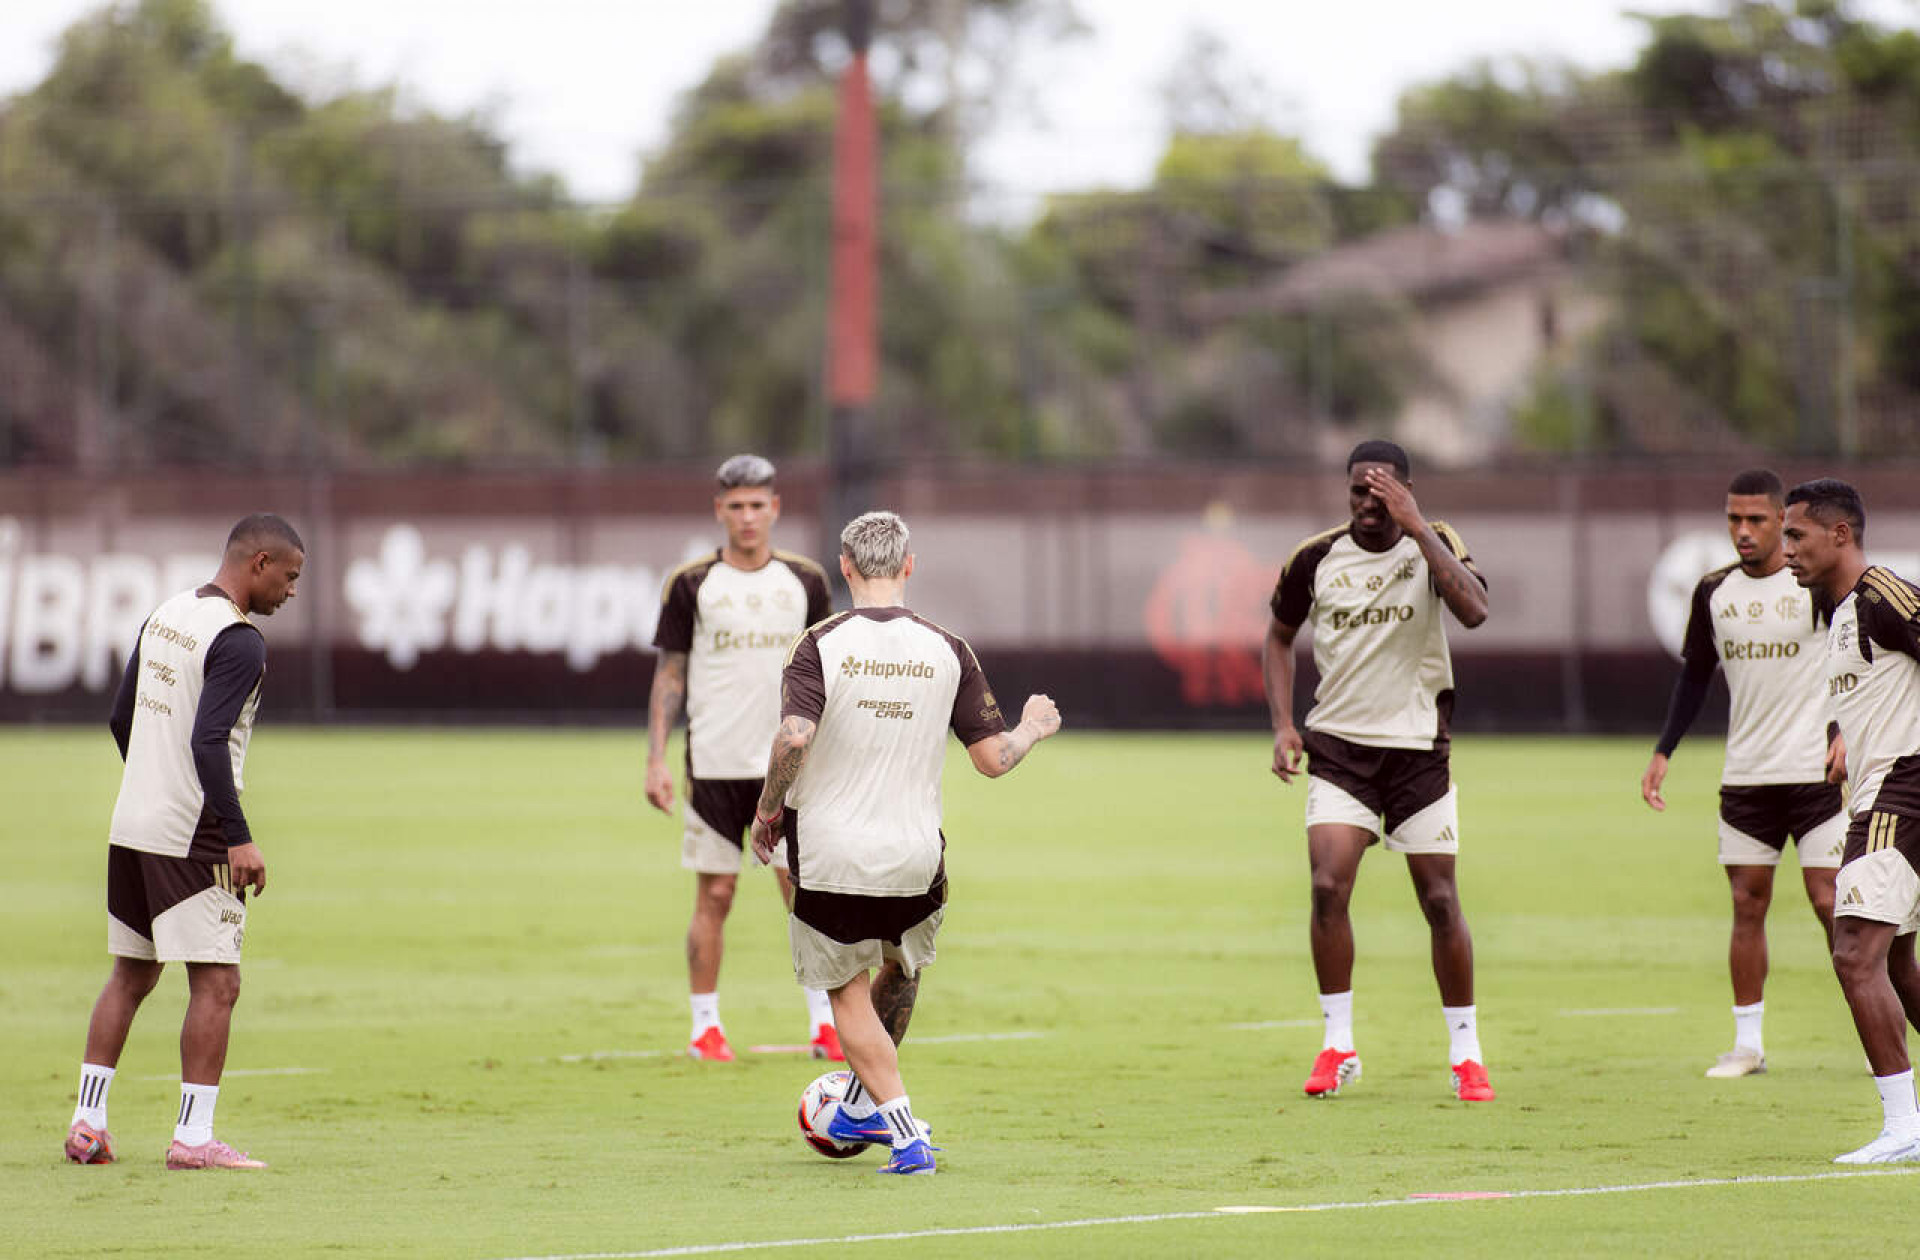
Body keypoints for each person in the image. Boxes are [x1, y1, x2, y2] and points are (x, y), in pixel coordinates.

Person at [747, 510, 1061, 1175]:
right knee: (903, 967)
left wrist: (767, 813)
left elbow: (794, 737)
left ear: (846, 566)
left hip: (832, 856)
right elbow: (993, 759)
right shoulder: (948, 648)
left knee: (846, 991)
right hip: (918, 859)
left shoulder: (818, 644)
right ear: (910, 565)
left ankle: (903, 1128)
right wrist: (1032, 726)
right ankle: (861, 1101)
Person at [65, 514, 303, 1170]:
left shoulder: (166, 613)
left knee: (132, 973)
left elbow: (122, 718)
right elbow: (207, 741)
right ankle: (194, 1139)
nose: (291, 591)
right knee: (218, 982)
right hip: (192, 836)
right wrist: (240, 838)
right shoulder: (241, 641)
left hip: (132, 823)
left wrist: (150, 783)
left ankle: (87, 1124)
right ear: (259, 563)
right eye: (289, 576)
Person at [1262, 439, 1495, 1102]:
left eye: (1384, 491)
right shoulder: (1315, 556)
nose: (1370, 504)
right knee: (1328, 888)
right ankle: (1338, 1045)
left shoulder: (1435, 540)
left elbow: (1476, 613)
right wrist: (1284, 725)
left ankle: (1466, 1052)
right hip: (1339, 750)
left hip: (1419, 749)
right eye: (1359, 491)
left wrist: (1417, 525)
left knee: (1440, 901)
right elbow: (1278, 636)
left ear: (1407, 490)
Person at [1640, 470, 1846, 1078]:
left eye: (1757, 519)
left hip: (1815, 778)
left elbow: (1849, 665)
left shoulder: (1813, 586)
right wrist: (1664, 751)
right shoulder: (1713, 593)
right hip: (1747, 779)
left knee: (1832, 904)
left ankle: (1876, 1028)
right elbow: (1695, 676)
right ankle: (1748, 1045)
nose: (1743, 531)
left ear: (1783, 521)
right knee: (1746, 904)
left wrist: (1841, 735)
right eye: (1734, 519)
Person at [646, 454, 835, 1061]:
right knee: (717, 894)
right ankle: (706, 1027)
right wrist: (656, 759)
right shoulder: (691, 584)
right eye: (737, 506)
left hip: (789, 766)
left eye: (758, 505)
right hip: (715, 765)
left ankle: (825, 1023)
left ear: (775, 508)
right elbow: (670, 673)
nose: (748, 517)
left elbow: (829, 669)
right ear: (719, 510)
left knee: (802, 894)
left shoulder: (805, 582)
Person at [1782, 478, 1920, 1163]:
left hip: (1903, 792)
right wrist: (1842, 735)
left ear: (1840, 534)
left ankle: (1904, 1127)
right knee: (1898, 965)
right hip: (1877, 790)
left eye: (1795, 536)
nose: (1785, 551)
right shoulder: (1838, 614)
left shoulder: (1882, 594)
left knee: (1852, 953)